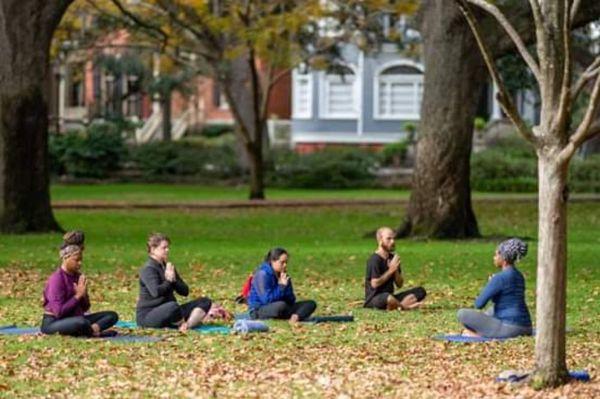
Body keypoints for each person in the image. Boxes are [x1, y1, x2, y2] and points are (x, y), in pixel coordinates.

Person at [41, 232, 119, 337]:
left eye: (81, 260)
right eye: (76, 260)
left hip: (76, 318)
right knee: (81, 322)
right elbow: (59, 312)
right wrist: (77, 296)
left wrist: (84, 295)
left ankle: (91, 331)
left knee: (111, 315)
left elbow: (85, 307)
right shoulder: (57, 279)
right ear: (65, 258)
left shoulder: (78, 276)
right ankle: (94, 333)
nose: (80, 263)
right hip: (54, 322)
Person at [457, 238, 533, 338]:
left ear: (504, 258)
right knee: (491, 310)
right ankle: (485, 331)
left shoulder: (499, 278)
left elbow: (479, 304)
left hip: (510, 328)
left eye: (496, 255)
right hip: (527, 327)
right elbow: (508, 297)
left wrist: (490, 284)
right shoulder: (519, 276)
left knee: (462, 314)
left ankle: (477, 335)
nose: (494, 258)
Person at [136, 233, 213, 332]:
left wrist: (174, 280)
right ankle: (183, 323)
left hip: (171, 312)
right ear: (153, 249)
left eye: (168, 247)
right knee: (172, 306)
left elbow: (185, 292)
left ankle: (187, 325)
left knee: (205, 301)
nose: (167, 250)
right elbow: (156, 293)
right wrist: (168, 280)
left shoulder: (168, 267)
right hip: (148, 316)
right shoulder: (148, 269)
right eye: (164, 248)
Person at [247, 248, 317, 323]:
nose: (285, 265)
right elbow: (266, 300)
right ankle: (290, 315)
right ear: (273, 261)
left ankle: (296, 316)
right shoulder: (262, 274)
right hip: (259, 309)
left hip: (282, 307)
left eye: (286, 262)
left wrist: (287, 286)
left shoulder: (283, 275)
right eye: (282, 262)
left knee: (311, 303)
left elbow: (291, 300)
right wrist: (281, 287)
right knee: (281, 305)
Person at [364, 227, 426, 310]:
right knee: (388, 297)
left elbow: (399, 284)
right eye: (388, 239)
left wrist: (396, 270)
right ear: (380, 240)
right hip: (375, 299)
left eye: (393, 238)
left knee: (420, 291)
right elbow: (375, 284)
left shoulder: (392, 258)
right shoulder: (374, 259)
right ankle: (404, 307)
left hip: (391, 297)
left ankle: (396, 305)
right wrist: (391, 270)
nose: (392, 242)